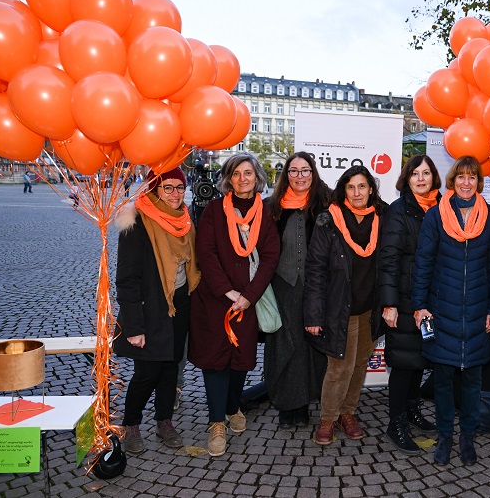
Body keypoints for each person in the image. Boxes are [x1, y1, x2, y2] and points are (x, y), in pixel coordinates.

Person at [411, 155, 490, 467]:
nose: (467, 183)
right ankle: (444, 437)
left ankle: (467, 437)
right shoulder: (436, 217)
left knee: (472, 383)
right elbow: (423, 263)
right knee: (442, 383)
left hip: (478, 314)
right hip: (442, 312)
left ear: (479, 182)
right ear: (453, 180)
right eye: (462, 177)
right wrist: (420, 305)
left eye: (473, 177)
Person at [189, 153, 280, 457]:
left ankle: (231, 406)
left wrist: (249, 296)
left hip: (248, 302)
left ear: (258, 179)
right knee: (215, 362)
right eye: (237, 174)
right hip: (215, 301)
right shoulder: (214, 210)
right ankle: (217, 422)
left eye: (249, 173)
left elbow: (270, 257)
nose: (243, 179)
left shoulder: (265, 214)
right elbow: (206, 252)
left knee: (240, 360)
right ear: (228, 179)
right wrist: (228, 292)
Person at [113, 167, 201, 455]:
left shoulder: (185, 219)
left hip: (179, 305)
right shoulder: (137, 221)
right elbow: (126, 279)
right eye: (168, 188)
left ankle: (164, 421)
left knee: (171, 367)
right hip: (149, 309)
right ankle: (131, 424)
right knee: (147, 372)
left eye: (179, 187)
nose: (175, 194)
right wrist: (134, 327)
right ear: (154, 190)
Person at [304, 165, 384, 446]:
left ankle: (347, 413)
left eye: (362, 186)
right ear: (344, 190)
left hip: (370, 308)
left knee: (360, 364)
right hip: (340, 308)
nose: (357, 192)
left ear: (371, 189)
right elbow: (315, 270)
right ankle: (327, 418)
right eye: (351, 187)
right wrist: (313, 314)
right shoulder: (329, 220)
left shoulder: (381, 218)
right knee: (339, 367)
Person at [378, 155, 441, 454]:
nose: (420, 178)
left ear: (434, 177)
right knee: (404, 362)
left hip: (432, 304)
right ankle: (396, 422)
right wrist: (389, 303)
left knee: (421, 357)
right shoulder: (398, 210)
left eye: (426, 173)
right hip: (404, 302)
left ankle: (413, 409)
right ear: (407, 177)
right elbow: (388, 261)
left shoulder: (444, 208)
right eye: (415, 173)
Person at [264, 152, 331, 429]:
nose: (299, 176)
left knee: (308, 346)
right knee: (283, 344)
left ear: (313, 173)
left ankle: (303, 403)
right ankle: (285, 402)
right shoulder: (273, 206)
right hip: (282, 283)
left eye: (305, 171)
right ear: (286, 175)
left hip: (316, 285)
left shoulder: (327, 202)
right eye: (294, 171)